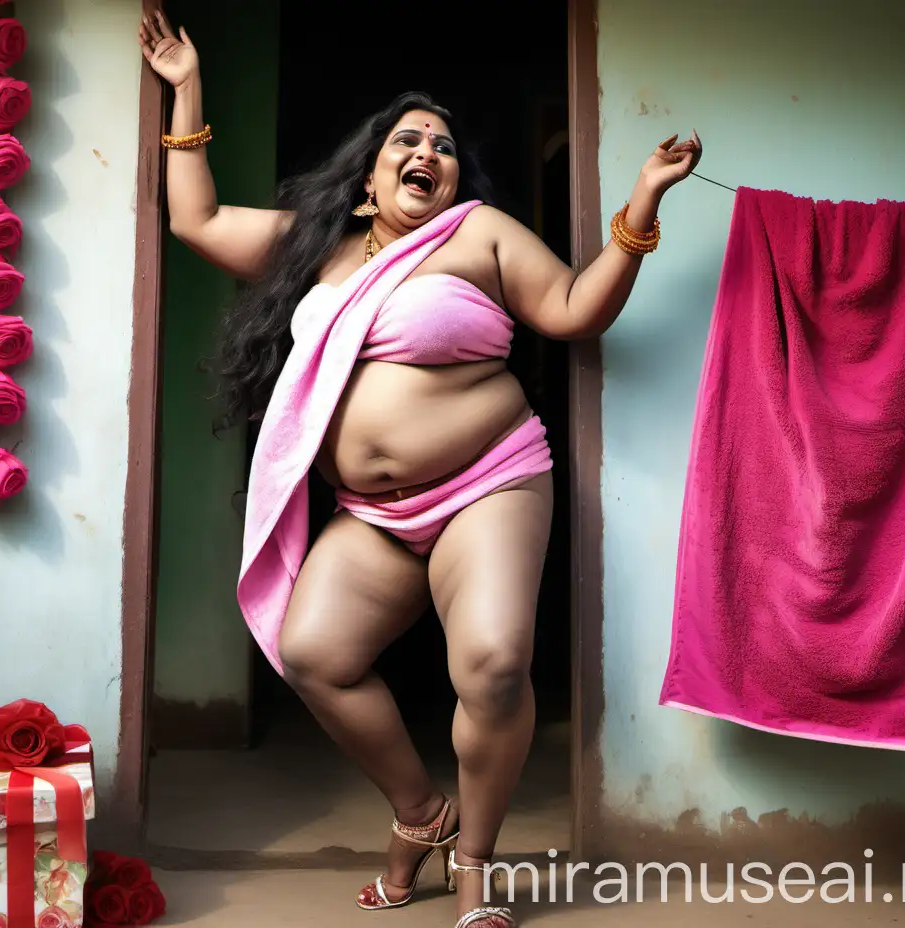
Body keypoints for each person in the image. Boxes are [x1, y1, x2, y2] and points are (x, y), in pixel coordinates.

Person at [139, 11, 701, 928]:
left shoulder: (482, 235)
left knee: (490, 666)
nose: (427, 151)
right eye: (407, 138)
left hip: (488, 483)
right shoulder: (315, 251)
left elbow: (571, 310)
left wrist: (641, 205)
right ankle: (420, 812)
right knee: (315, 653)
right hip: (371, 514)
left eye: (441, 144)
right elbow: (194, 218)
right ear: (367, 182)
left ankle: (476, 862)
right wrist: (186, 84)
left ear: (450, 178)